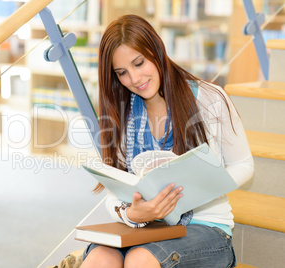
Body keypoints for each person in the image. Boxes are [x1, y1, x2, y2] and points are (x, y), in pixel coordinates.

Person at [81, 14, 254, 268]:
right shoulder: (122, 112)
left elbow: (244, 164)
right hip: (148, 229)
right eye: (122, 73)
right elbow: (115, 190)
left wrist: (204, 186)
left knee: (140, 259)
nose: (135, 79)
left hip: (206, 230)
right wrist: (131, 214)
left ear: (156, 50)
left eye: (139, 63)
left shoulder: (209, 98)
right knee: (99, 259)